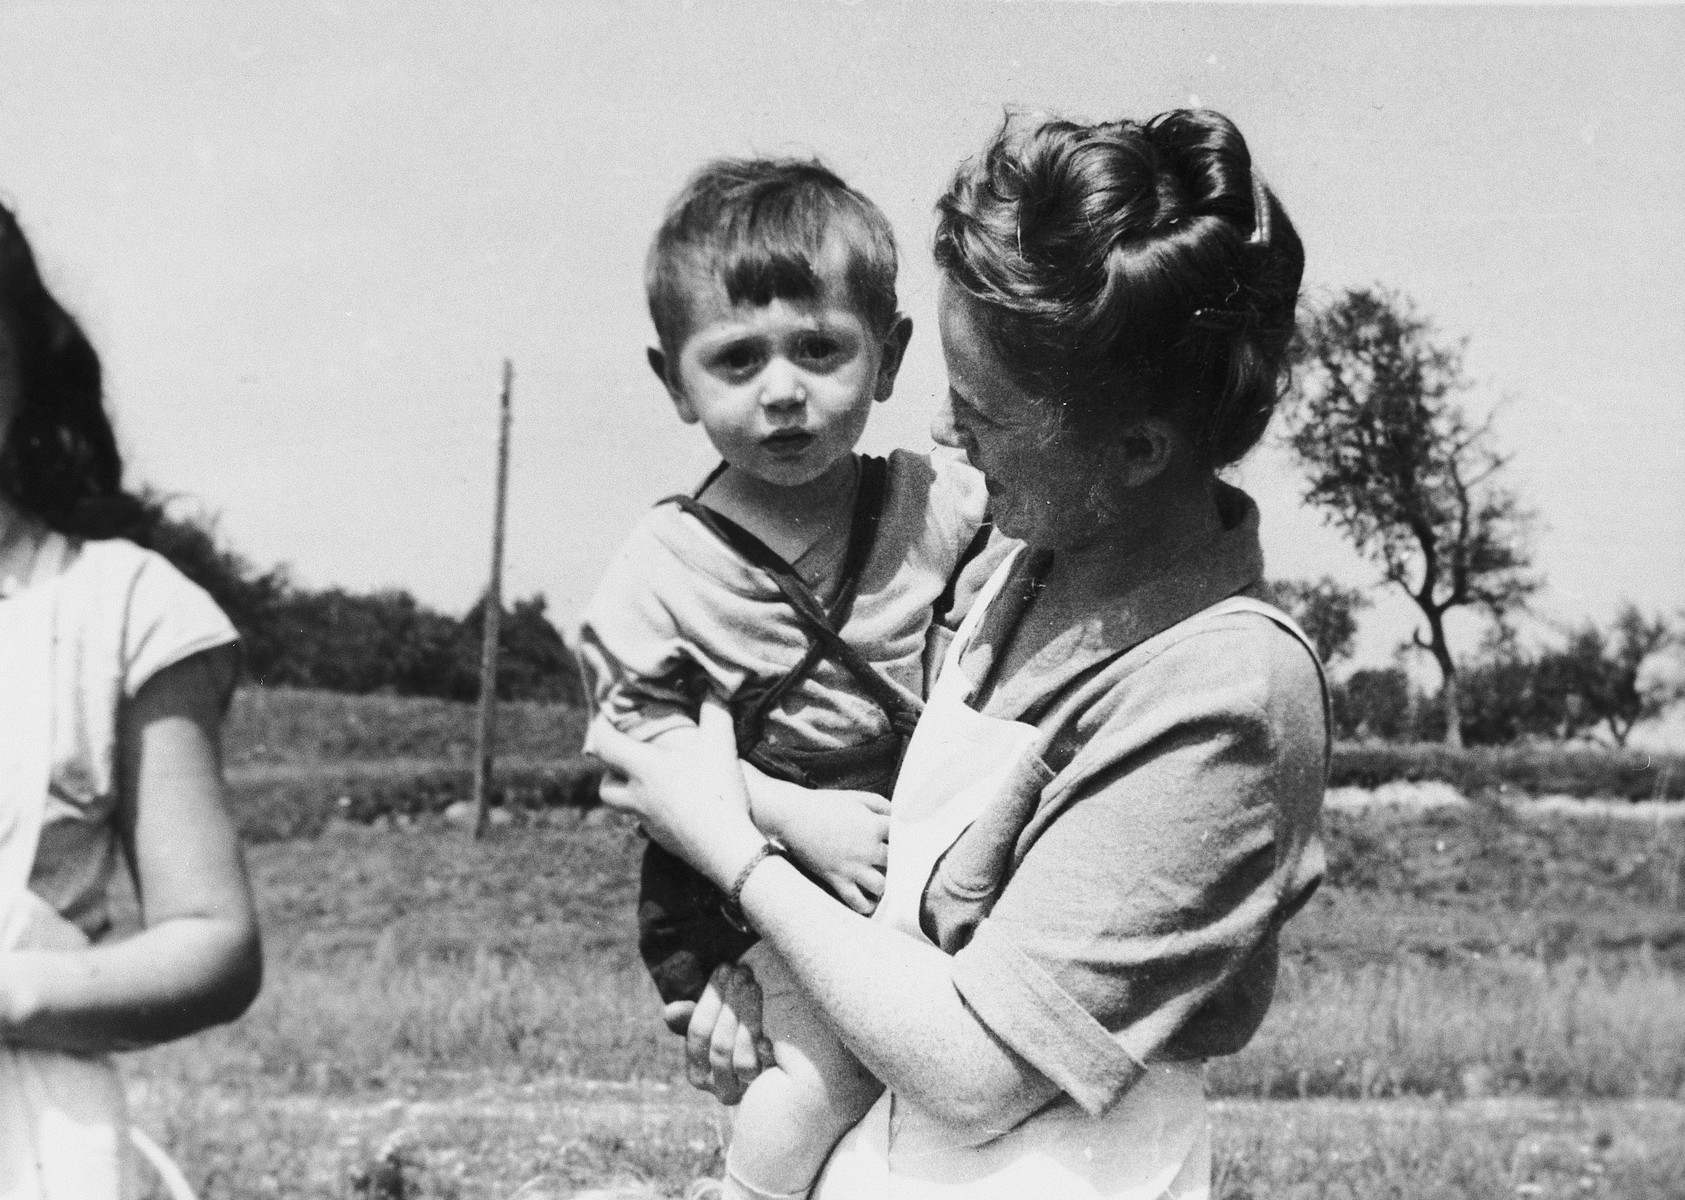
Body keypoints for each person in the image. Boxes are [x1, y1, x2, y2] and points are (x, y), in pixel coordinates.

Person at [590, 107, 1327, 1200]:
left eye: (984, 408)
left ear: (1134, 448)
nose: (940, 431)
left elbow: (976, 1070)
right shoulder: (1008, 573)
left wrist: (732, 848)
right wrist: (774, 976)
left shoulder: (1222, 688)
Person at [577, 158, 995, 1200]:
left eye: (819, 350)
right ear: (674, 379)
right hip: (740, 880)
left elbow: (1020, 564)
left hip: (902, 858)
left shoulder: (927, 504)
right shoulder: (664, 565)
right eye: (736, 360)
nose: (783, 391)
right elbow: (636, 754)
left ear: (888, 356)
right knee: (823, 1073)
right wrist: (788, 817)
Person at [0, 201, 262, 1197]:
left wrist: (14, 991)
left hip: (26, 1136)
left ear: (25, 372)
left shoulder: (118, 610)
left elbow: (213, 942)